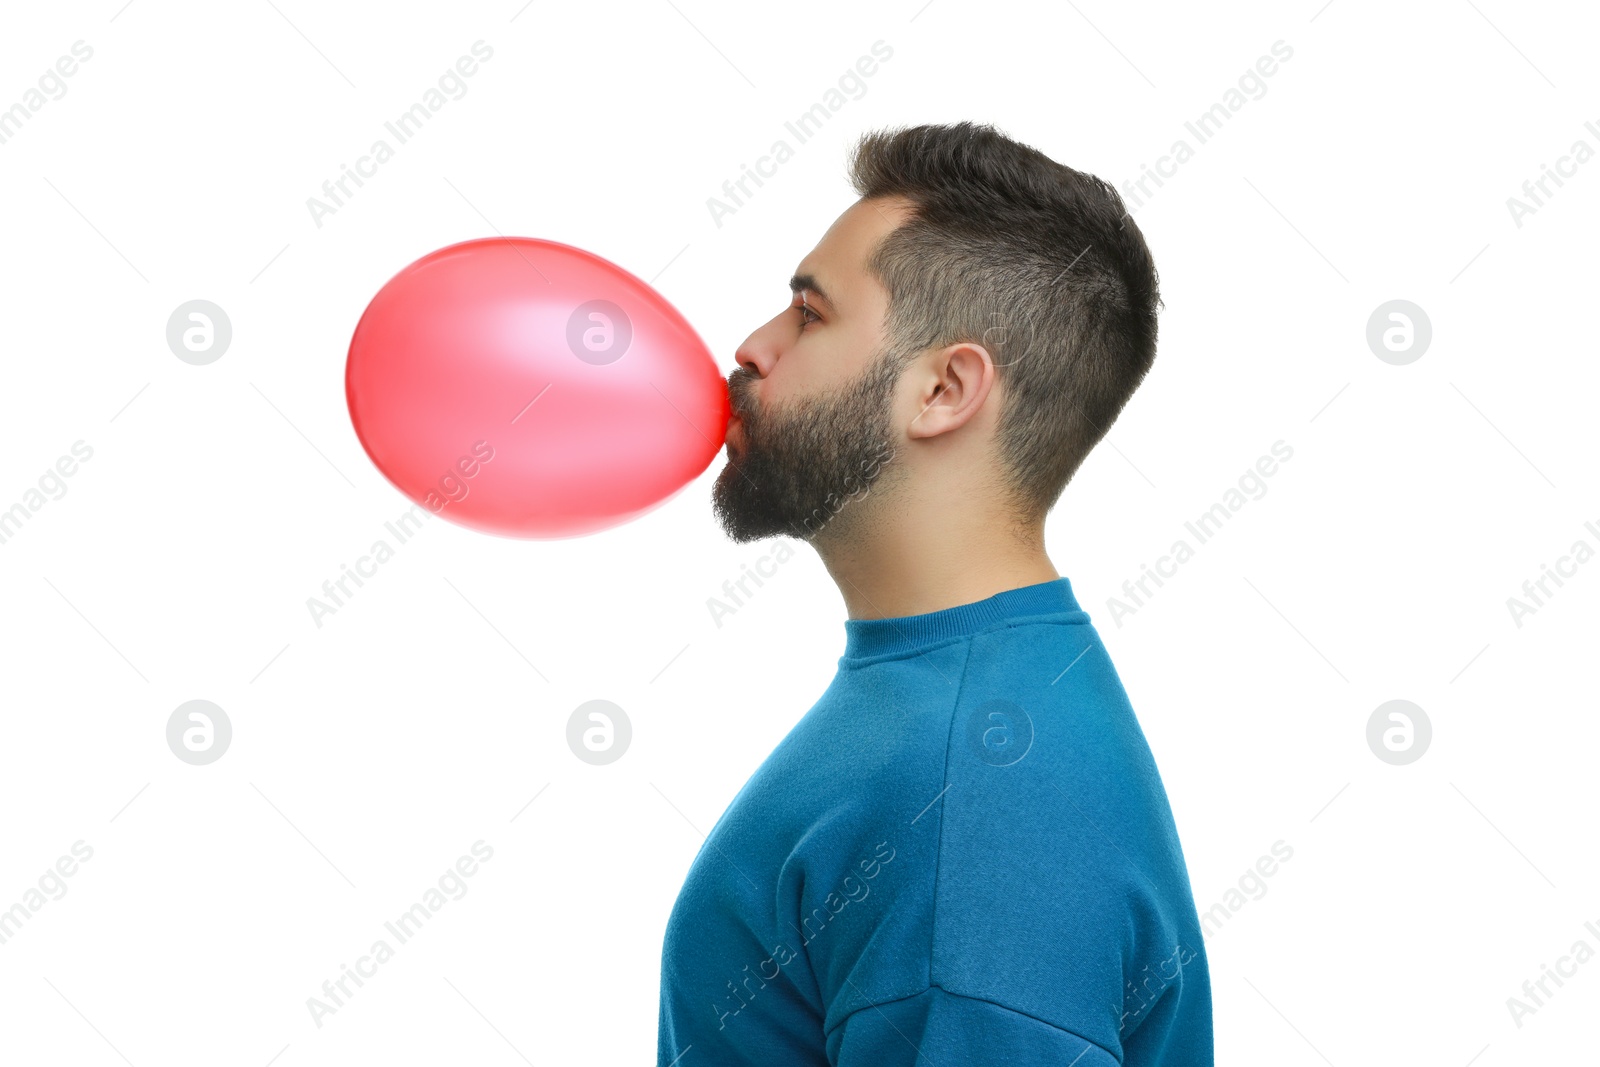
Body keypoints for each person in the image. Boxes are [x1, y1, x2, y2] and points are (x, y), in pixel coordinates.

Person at [657, 121, 1211, 1066]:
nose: (751, 348)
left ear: (945, 388)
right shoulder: (958, 702)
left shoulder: (978, 807)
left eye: (809, 314)